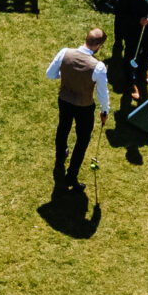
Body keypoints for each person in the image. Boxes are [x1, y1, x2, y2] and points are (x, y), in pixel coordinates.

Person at [47, 26, 110, 186]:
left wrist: (66, 75)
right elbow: (102, 93)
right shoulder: (99, 67)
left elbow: (50, 74)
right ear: (98, 46)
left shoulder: (65, 52)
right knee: (82, 140)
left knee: (63, 128)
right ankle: (71, 176)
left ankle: (60, 156)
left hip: (65, 100)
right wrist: (105, 110)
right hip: (84, 106)